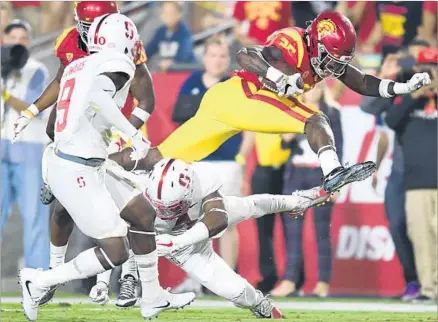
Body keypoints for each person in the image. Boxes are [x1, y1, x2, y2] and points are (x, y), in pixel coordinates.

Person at [19, 14, 196, 322]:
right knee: (116, 251)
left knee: (143, 214)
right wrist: (132, 134)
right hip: (77, 167)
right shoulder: (116, 63)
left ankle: (152, 297)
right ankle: (41, 281)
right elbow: (100, 99)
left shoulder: (77, 64)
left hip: (79, 158)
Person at [13, 1, 155, 308]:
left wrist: (127, 131)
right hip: (80, 149)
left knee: (137, 214)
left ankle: (136, 283)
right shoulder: (81, 50)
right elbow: (76, 90)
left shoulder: (111, 51)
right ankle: (47, 278)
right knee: (103, 224)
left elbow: (144, 95)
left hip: (98, 140)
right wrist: (34, 110)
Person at [90, 157, 333, 318]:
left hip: (189, 241)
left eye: (171, 206)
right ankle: (259, 304)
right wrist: (102, 282)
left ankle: (303, 199)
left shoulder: (202, 180)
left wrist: (177, 242)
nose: (164, 212)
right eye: (160, 205)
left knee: (251, 206)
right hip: (165, 243)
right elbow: (116, 237)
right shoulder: (138, 189)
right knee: (129, 236)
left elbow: (218, 221)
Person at [171, 36, 242, 294]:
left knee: (228, 220)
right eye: (213, 55)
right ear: (205, 58)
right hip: (198, 162)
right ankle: (197, 278)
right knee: (193, 223)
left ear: (228, 59)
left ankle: (229, 279)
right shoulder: (191, 82)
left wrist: (242, 156)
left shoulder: (236, 85)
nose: (217, 60)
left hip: (226, 161)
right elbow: (179, 119)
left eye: (222, 56)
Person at [272, 82, 342, 298]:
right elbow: (284, 143)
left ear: (322, 89)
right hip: (296, 173)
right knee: (292, 232)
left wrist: (337, 182)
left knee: (322, 232)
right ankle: (290, 280)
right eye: (308, 88)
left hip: (320, 175)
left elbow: (340, 145)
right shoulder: (293, 110)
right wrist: (289, 129)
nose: (312, 92)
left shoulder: (331, 112)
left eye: (316, 87)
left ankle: (322, 283)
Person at [385, 55, 437, 303]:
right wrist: (415, 95)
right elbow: (390, 120)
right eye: (426, 69)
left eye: (435, 68)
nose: (431, 74)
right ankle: (428, 290)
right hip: (416, 183)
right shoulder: (407, 101)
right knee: (422, 240)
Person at [1, 19, 50, 270]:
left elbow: (35, 109)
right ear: (4, 40)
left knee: (34, 216)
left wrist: (6, 95)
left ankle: (39, 276)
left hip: (29, 147)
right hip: (2, 146)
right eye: (13, 38)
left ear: (29, 42)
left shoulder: (36, 69)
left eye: (22, 38)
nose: (17, 42)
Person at [145, 1, 196, 71]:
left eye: (171, 13)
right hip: (167, 72)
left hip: (184, 71)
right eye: (165, 13)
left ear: (179, 14)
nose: (168, 16)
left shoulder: (184, 32)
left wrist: (172, 62)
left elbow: (184, 53)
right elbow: (149, 49)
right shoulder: (160, 32)